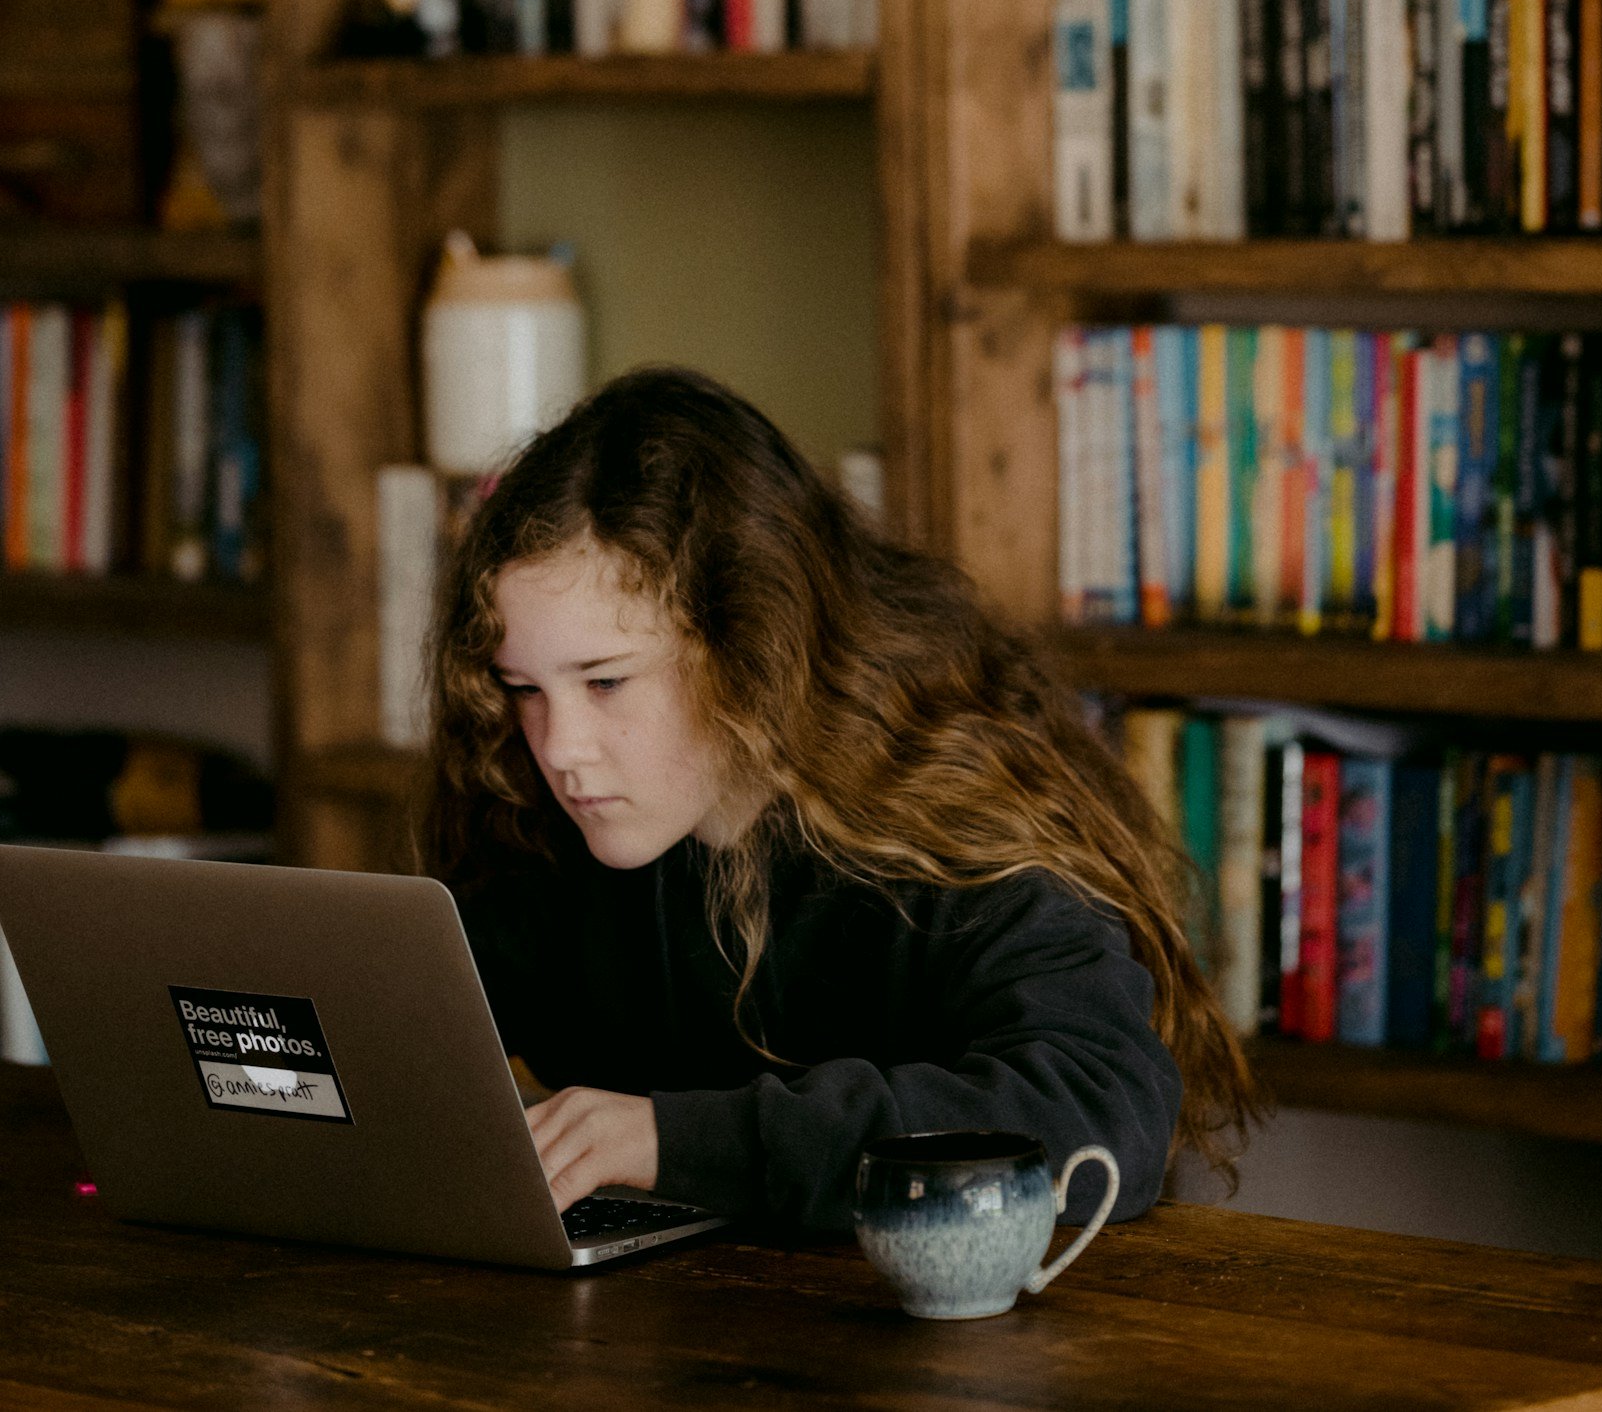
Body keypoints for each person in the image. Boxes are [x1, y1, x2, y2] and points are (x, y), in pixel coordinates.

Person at [424, 367, 1251, 1233]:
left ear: (750, 643)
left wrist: (672, 1141)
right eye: (523, 688)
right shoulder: (537, 821)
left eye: (605, 682)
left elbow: (1100, 1114)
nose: (558, 748)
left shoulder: (949, 813)